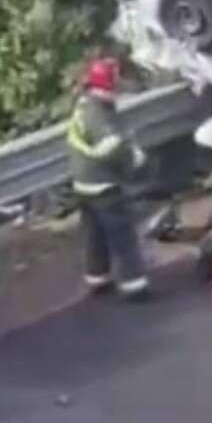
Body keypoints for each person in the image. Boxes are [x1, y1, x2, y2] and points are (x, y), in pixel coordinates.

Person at [65, 57, 151, 300]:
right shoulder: (98, 114)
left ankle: (98, 278)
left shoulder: (84, 104)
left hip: (84, 185)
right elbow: (112, 147)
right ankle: (135, 286)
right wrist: (135, 160)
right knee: (122, 236)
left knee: (96, 234)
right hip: (102, 186)